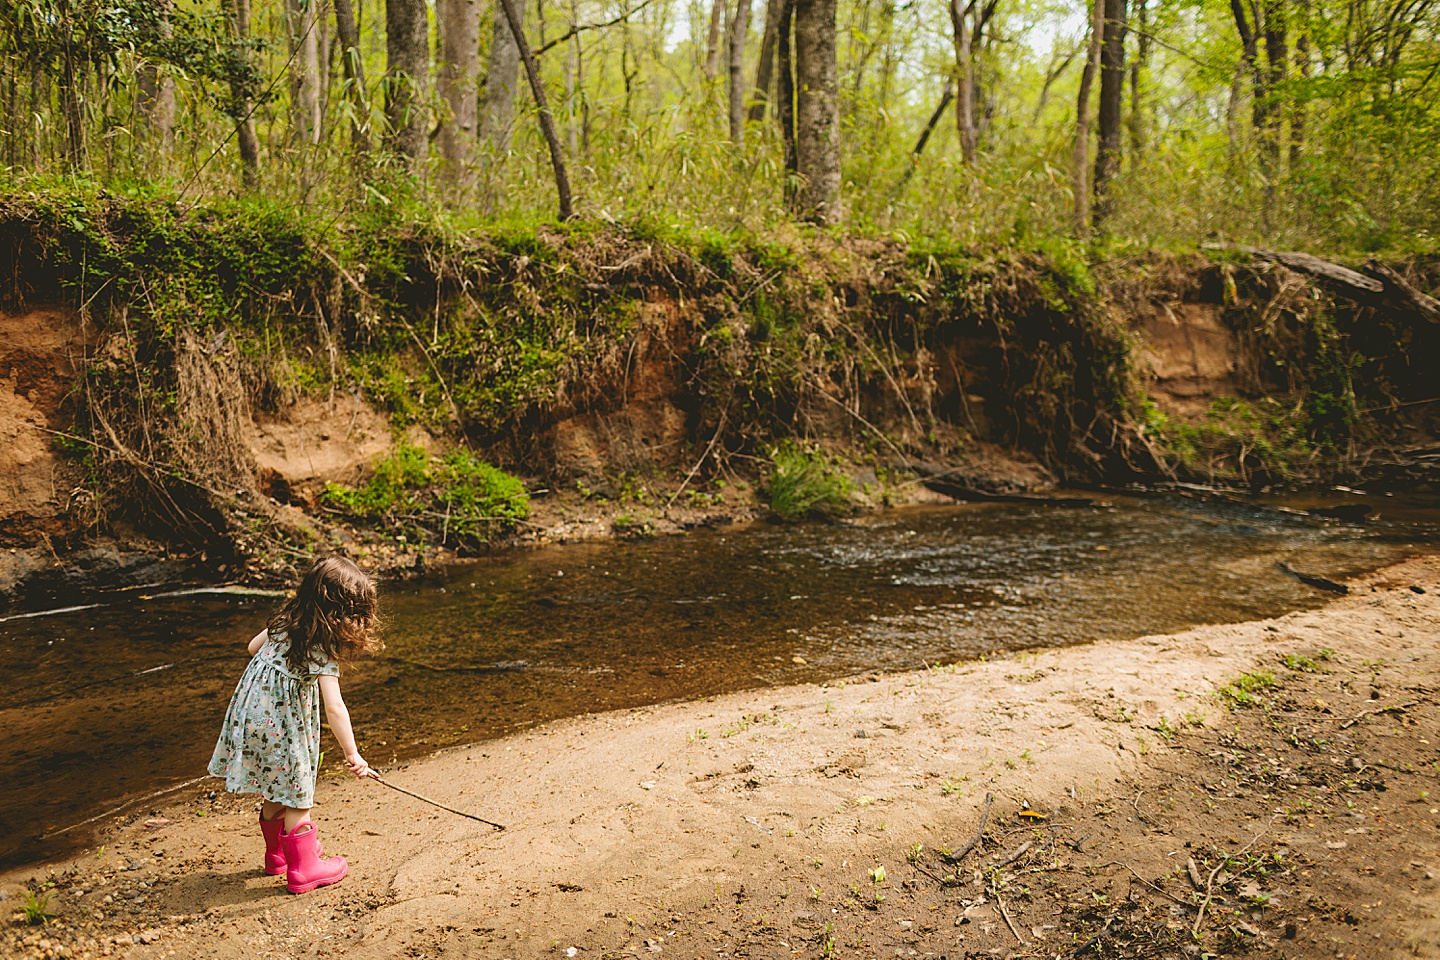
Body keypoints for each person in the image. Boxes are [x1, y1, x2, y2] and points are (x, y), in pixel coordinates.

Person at [208, 556, 380, 893]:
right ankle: (304, 870)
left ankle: (277, 856)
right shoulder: (321, 646)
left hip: (250, 717)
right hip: (283, 726)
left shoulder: (287, 619)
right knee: (298, 791)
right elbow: (335, 707)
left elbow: (252, 647)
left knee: (277, 786)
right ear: (338, 612)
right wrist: (353, 755)